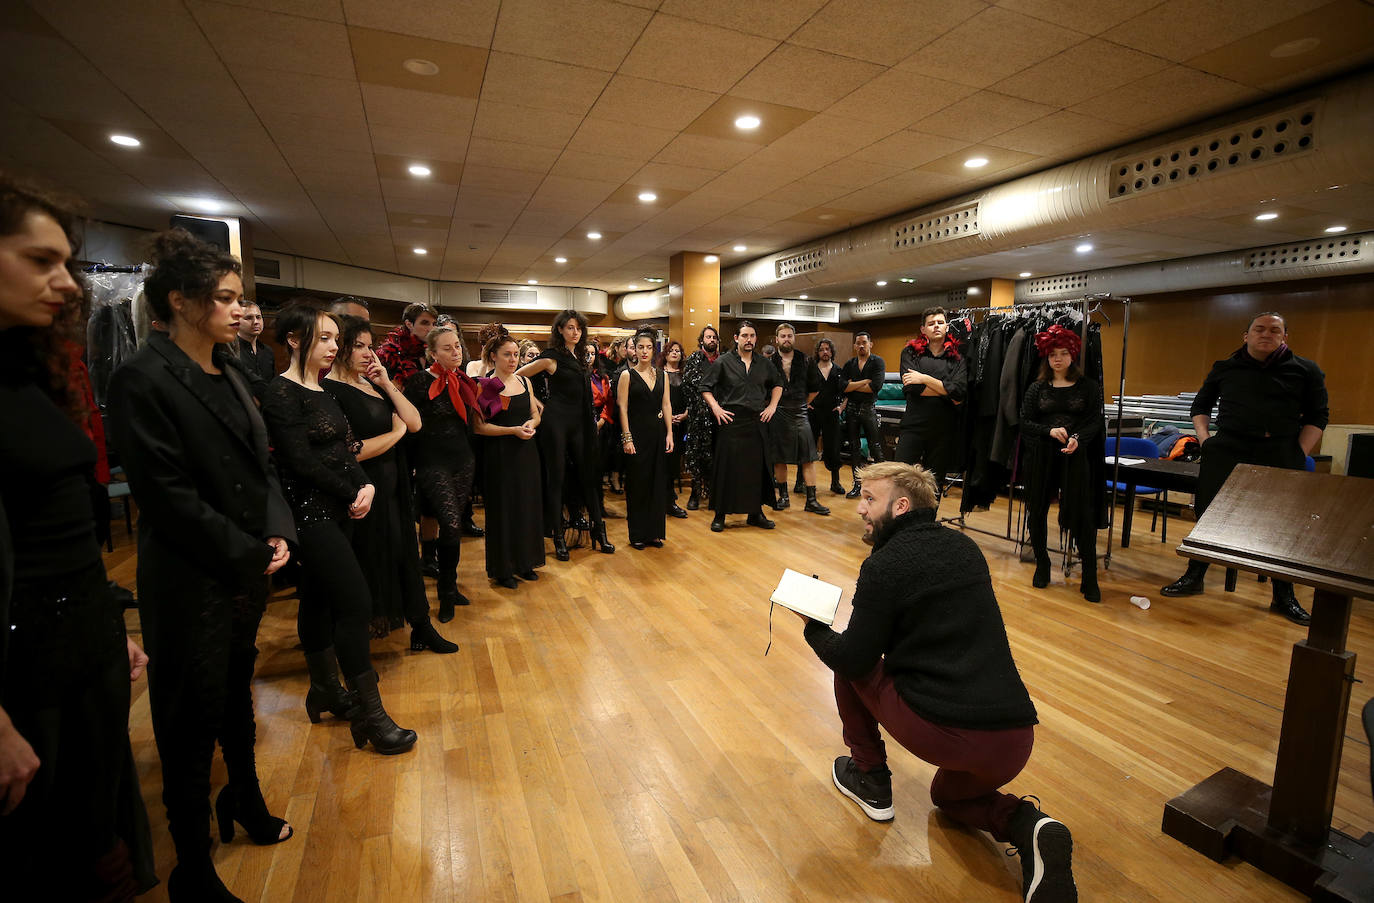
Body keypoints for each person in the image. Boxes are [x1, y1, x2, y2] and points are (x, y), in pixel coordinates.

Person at [109, 228, 297, 901]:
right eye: (223, 299)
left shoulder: (236, 369)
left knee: (234, 698)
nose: (237, 311)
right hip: (191, 575)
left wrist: (277, 531)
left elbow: (260, 461)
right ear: (181, 302)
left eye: (238, 299)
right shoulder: (142, 377)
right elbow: (170, 499)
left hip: (243, 566)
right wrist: (248, 548)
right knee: (188, 723)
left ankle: (243, 799)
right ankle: (193, 863)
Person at [796, 462, 1076, 903]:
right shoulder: (964, 547)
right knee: (948, 798)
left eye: (870, 499)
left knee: (847, 661)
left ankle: (870, 779)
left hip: (950, 734)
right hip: (1015, 739)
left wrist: (813, 627)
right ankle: (1031, 827)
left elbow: (854, 657)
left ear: (901, 505)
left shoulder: (885, 565)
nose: (860, 509)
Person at [0, 174, 152, 901]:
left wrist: (101, 619)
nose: (66, 282)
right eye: (39, 260)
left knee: (100, 830)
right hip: (21, 663)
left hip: (80, 636)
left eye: (67, 261)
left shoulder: (28, 375)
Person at [260, 305, 416, 756]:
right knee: (356, 602)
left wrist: (361, 483)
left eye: (334, 339)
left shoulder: (324, 390)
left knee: (320, 599)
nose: (333, 347)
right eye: (325, 338)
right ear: (294, 339)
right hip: (310, 514)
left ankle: (326, 690)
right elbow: (299, 462)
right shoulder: (281, 392)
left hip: (341, 507)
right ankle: (371, 716)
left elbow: (345, 449)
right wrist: (354, 490)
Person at [1159, 312, 1328, 624]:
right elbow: (1201, 406)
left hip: (1279, 452)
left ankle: (1283, 594)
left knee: (1280, 525)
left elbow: (1318, 416)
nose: (1266, 334)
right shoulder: (1226, 368)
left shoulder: (1306, 370)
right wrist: (1205, 439)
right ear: (1246, 335)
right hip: (1228, 449)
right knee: (1208, 514)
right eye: (1259, 329)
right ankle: (1195, 575)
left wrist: (1298, 452)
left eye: (1274, 330)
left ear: (1284, 336)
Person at [325, 316, 457, 653]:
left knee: (406, 557)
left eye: (371, 346)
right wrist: (395, 433)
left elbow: (414, 422)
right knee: (370, 561)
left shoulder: (372, 384)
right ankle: (361, 643)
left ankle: (421, 626)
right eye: (359, 346)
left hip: (393, 484)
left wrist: (385, 382)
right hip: (362, 490)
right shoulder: (330, 390)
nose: (369, 353)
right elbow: (350, 454)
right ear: (340, 348)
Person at [517, 309, 614, 559]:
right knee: (557, 477)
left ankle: (599, 532)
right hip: (556, 422)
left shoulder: (581, 356)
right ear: (560, 330)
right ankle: (558, 535)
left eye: (578, 328)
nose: (575, 332)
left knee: (588, 475)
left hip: (581, 423)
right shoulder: (551, 357)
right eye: (570, 327)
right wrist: (537, 404)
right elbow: (518, 377)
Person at [1019, 326, 1104, 603]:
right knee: (1038, 509)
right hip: (1042, 455)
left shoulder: (1089, 387)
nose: (1058, 359)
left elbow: (1094, 420)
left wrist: (1079, 438)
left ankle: (1089, 576)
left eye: (1064, 353)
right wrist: (1048, 432)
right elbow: (1025, 421)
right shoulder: (1037, 388)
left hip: (1076, 457)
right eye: (1053, 354)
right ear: (1046, 357)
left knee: (1083, 514)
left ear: (1073, 355)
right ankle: (1043, 565)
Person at [403, 325, 481, 620]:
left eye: (457, 347)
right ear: (432, 353)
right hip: (431, 462)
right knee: (448, 525)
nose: (455, 352)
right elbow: (409, 425)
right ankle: (445, 593)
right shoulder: (420, 382)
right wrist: (410, 465)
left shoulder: (464, 380)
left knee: (453, 524)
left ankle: (449, 583)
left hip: (462, 461)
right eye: (447, 348)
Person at [474, 336, 545, 588]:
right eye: (507, 354)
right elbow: (479, 427)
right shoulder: (485, 385)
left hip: (526, 452)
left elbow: (535, 415)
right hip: (500, 455)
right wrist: (512, 430)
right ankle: (503, 569)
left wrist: (530, 424)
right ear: (493, 355)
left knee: (527, 507)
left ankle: (526, 562)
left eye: (516, 354)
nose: (513, 359)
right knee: (503, 510)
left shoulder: (525, 381)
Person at [700, 320, 782, 532]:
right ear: (736, 338)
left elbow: (778, 384)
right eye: (745, 336)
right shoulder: (723, 362)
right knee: (727, 469)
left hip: (757, 421)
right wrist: (716, 408)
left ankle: (755, 513)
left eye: (752, 336)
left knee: (756, 470)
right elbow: (705, 387)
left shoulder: (765, 364)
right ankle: (720, 514)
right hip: (731, 421)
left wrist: (772, 406)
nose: (749, 340)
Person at [897, 307, 966, 496]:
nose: (936, 326)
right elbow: (912, 388)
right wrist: (946, 390)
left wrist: (925, 379)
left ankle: (928, 523)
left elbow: (959, 393)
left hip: (943, 429)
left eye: (940, 322)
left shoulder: (957, 357)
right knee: (900, 477)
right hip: (913, 426)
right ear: (923, 329)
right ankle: (900, 522)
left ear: (946, 326)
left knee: (934, 483)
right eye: (931, 323)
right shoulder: (910, 353)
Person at [618, 328, 674, 549]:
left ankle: (654, 533)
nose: (644, 351)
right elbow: (622, 408)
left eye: (649, 347)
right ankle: (638, 533)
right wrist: (627, 438)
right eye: (640, 347)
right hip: (637, 435)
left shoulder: (663, 375)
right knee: (638, 484)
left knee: (656, 484)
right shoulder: (627, 375)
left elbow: (666, 404)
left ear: (654, 350)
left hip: (658, 434)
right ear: (634, 349)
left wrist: (670, 433)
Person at [767, 323, 830, 516]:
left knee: (808, 457)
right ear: (777, 339)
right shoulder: (768, 361)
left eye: (790, 336)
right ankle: (783, 496)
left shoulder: (806, 360)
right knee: (779, 458)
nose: (787, 339)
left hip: (800, 411)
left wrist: (803, 403)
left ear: (794, 338)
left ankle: (811, 500)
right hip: (778, 412)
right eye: (783, 336)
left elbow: (815, 387)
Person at [841, 331, 886, 498]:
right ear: (855, 346)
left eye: (864, 343)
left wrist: (853, 385)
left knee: (875, 447)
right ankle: (857, 485)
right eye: (858, 343)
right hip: (851, 409)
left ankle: (884, 485)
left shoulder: (877, 362)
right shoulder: (850, 364)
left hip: (868, 408)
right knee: (854, 448)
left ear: (870, 344)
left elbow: (876, 386)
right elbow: (843, 387)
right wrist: (863, 382)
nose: (861, 346)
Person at [682, 325, 722, 509]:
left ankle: (713, 492)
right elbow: (691, 385)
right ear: (702, 340)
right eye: (708, 337)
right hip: (698, 415)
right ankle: (695, 493)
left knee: (715, 455)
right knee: (696, 455)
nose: (711, 340)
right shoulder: (694, 359)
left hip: (719, 416)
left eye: (714, 337)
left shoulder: (723, 360)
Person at [808, 338, 847, 495]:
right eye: (822, 349)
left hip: (831, 413)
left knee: (833, 447)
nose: (825, 352)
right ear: (818, 352)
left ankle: (835, 482)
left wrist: (841, 408)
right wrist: (806, 404)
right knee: (808, 446)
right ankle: (800, 481)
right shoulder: (811, 370)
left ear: (832, 352)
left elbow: (847, 392)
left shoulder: (838, 371)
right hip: (813, 412)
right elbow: (803, 388)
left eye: (828, 349)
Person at [375, 301, 436, 391]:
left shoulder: (432, 351)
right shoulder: (390, 352)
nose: (431, 328)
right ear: (409, 324)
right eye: (425, 323)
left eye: (434, 324)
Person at [659, 339, 689, 518]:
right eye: (672, 350)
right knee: (663, 463)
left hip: (681, 423)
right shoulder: (658, 373)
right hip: (662, 423)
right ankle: (662, 499)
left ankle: (670, 501)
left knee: (674, 463)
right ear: (666, 354)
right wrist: (667, 416)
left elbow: (690, 399)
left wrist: (685, 414)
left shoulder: (685, 374)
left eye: (678, 351)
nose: (675, 353)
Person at [233, 299, 275, 389]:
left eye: (258, 317)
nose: (256, 322)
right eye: (249, 318)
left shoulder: (267, 351)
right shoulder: (232, 350)